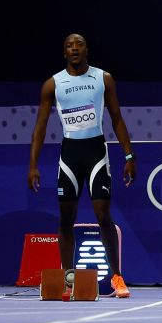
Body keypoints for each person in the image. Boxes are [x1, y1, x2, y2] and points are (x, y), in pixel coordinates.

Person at [27, 34, 136, 299]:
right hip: (70, 155)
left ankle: (116, 277)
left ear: (87, 49)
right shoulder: (53, 84)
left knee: (103, 216)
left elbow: (117, 118)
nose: (74, 49)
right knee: (66, 219)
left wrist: (129, 156)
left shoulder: (103, 78)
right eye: (69, 46)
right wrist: (33, 165)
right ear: (64, 52)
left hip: (96, 152)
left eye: (79, 45)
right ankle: (68, 277)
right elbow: (40, 127)